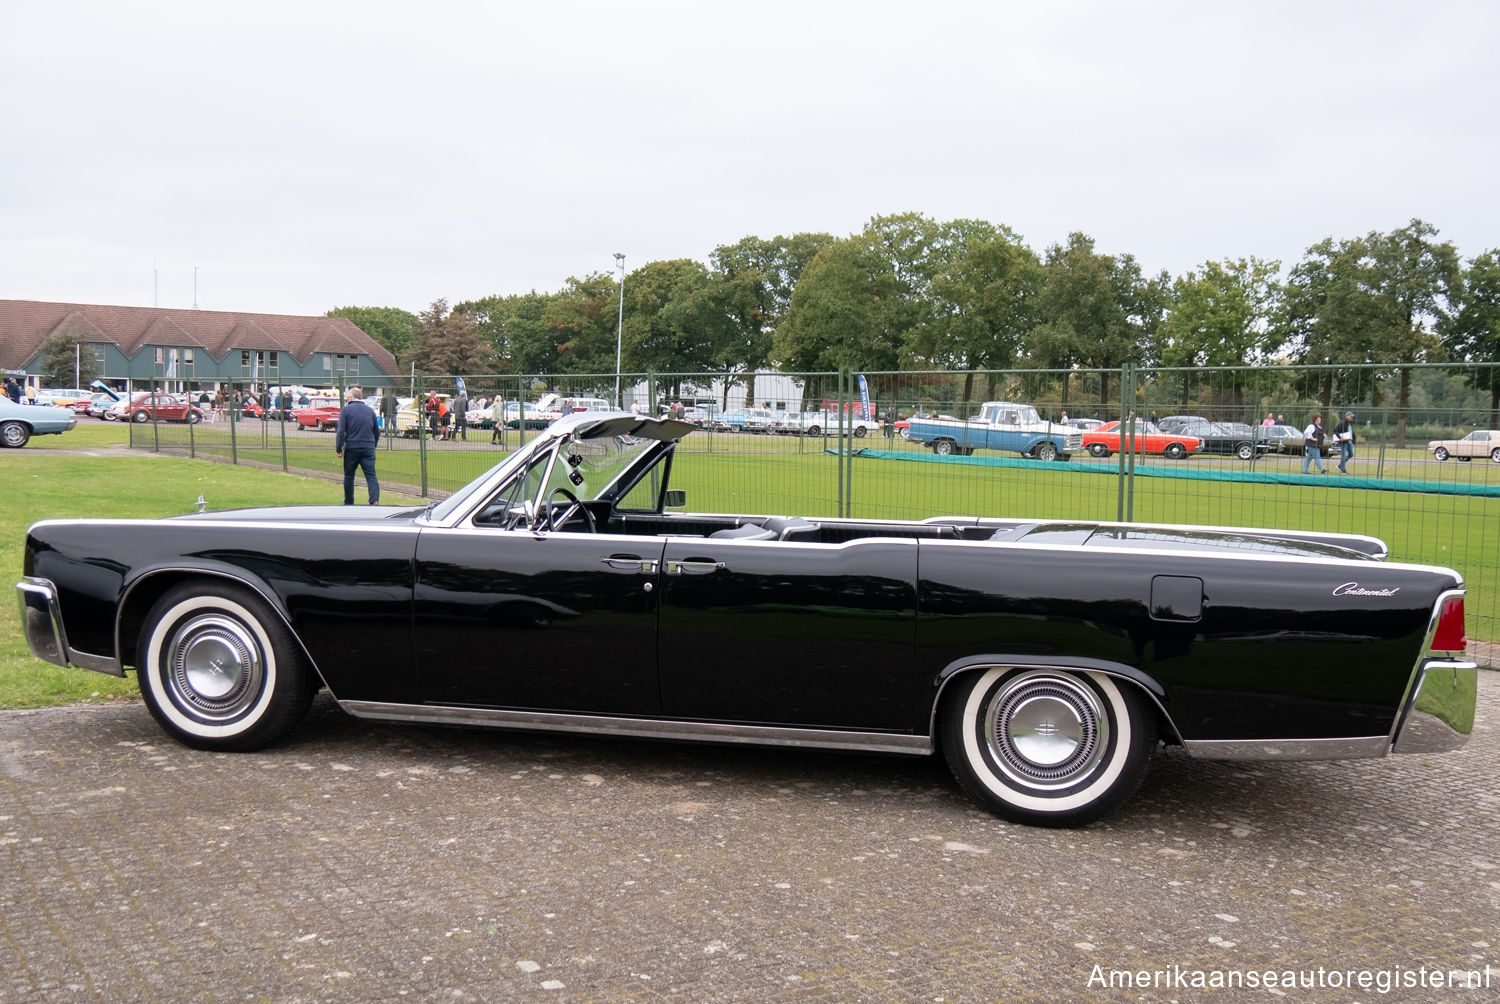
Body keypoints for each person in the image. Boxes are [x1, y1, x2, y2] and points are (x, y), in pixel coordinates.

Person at [335, 387, 380, 505]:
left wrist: (339, 448)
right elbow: (377, 432)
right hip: (368, 447)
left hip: (352, 447)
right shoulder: (370, 411)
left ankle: (349, 502)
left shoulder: (346, 410)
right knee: (371, 475)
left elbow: (341, 431)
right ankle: (374, 500)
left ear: (350, 397)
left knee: (349, 476)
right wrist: (372, 446)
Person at [1333, 410, 1357, 474]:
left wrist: (1354, 440)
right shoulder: (1343, 423)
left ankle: (1340, 465)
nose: (1351, 417)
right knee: (1343, 455)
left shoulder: (1350, 423)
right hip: (1344, 442)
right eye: (1350, 416)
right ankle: (1343, 470)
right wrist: (1339, 437)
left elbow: (1352, 433)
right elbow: (1335, 430)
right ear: (1346, 416)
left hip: (1349, 442)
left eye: (1352, 416)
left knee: (1351, 454)